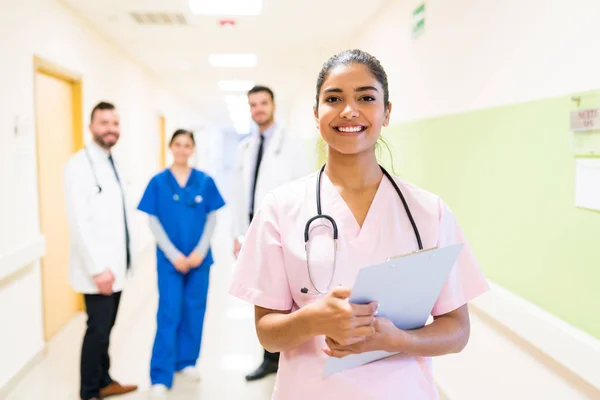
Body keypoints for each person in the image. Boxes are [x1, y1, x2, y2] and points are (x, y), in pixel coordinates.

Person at [228, 49, 490, 399]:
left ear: (387, 112)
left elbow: (457, 331)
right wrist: (313, 319)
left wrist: (396, 339)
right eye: (333, 98)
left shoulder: (429, 211)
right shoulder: (280, 208)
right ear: (316, 114)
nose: (349, 110)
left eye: (366, 97)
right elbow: (268, 334)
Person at [231, 85, 315, 381]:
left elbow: (305, 189)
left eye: (263, 103)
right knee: (263, 294)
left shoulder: (292, 144)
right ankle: (269, 359)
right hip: (254, 230)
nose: (258, 109)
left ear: (273, 105)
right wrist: (237, 234)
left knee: (286, 297)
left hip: (285, 232)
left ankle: (287, 357)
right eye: (253, 105)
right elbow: (240, 195)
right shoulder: (246, 147)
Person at [137, 129, 226, 397]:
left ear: (193, 149)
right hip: (169, 262)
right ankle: (160, 375)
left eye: (187, 145)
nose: (182, 149)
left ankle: (186, 361)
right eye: (178, 144)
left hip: (199, 260)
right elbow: (152, 221)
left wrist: (200, 251)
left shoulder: (204, 181)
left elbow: (212, 218)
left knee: (194, 311)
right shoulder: (158, 182)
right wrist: (174, 254)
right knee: (169, 312)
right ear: (170, 147)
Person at [63, 101, 138, 400]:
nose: (111, 129)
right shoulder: (78, 165)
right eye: (104, 123)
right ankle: (89, 391)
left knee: (107, 328)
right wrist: (97, 268)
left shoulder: (112, 162)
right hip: (99, 270)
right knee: (97, 330)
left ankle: (104, 379)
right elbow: (79, 223)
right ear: (91, 127)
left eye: (115, 123)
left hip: (116, 266)